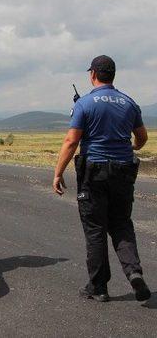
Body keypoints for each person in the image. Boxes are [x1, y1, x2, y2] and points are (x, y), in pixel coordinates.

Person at [53, 55, 151, 303]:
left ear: (93, 74)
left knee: (95, 229)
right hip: (123, 171)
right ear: (113, 75)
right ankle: (134, 272)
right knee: (121, 223)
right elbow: (142, 137)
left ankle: (98, 287)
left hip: (94, 172)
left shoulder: (85, 103)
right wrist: (134, 146)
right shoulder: (129, 102)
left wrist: (58, 172)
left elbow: (72, 140)